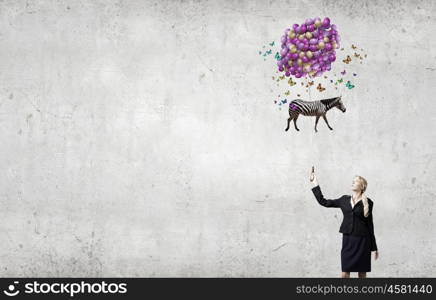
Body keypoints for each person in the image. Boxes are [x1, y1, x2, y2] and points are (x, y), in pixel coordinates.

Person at [309, 166, 379, 278]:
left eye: (355, 182)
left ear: (362, 186)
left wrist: (374, 247)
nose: (352, 183)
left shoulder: (369, 203)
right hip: (348, 240)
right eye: (353, 181)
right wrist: (315, 182)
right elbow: (324, 202)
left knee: (362, 273)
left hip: (363, 242)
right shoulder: (344, 200)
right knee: (345, 273)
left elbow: (370, 225)